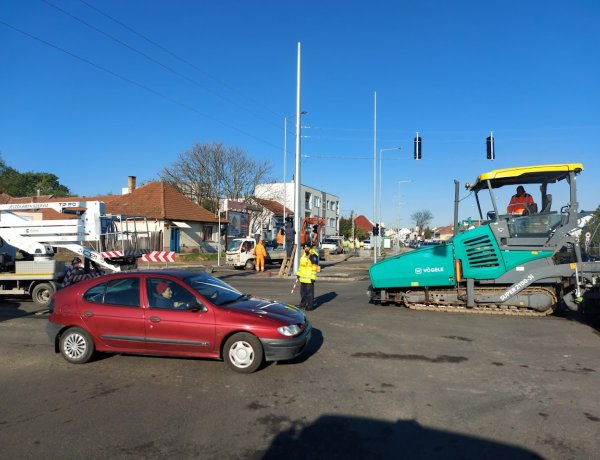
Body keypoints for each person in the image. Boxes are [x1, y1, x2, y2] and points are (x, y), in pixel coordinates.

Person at [296, 243, 319, 311]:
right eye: (305, 247)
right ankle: (303, 303)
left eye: (307, 247)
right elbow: (301, 266)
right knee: (302, 292)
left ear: (310, 248)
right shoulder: (304, 255)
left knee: (309, 293)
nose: (306, 248)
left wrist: (313, 277)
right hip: (303, 277)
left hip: (309, 278)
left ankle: (310, 306)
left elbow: (314, 267)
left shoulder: (313, 255)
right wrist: (298, 273)